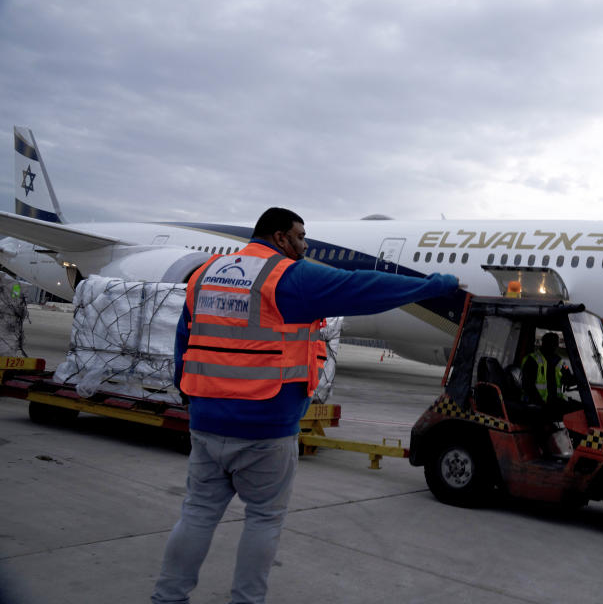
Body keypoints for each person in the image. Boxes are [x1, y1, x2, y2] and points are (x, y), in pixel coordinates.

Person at [152, 207, 460, 604]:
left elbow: (184, 342)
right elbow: (363, 287)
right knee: (263, 519)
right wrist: (433, 286)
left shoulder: (206, 275)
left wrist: (192, 395)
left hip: (206, 421)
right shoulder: (285, 278)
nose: (304, 245)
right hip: (265, 426)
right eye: (300, 236)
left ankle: (168, 596)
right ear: (280, 237)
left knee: (196, 515)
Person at [521, 332, 576, 419]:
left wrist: (580, 379)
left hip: (554, 401)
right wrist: (542, 404)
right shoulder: (532, 360)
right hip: (536, 402)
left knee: (580, 408)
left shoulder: (559, 361)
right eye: (552, 343)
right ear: (544, 343)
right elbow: (528, 386)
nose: (555, 346)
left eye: (555, 343)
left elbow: (568, 378)